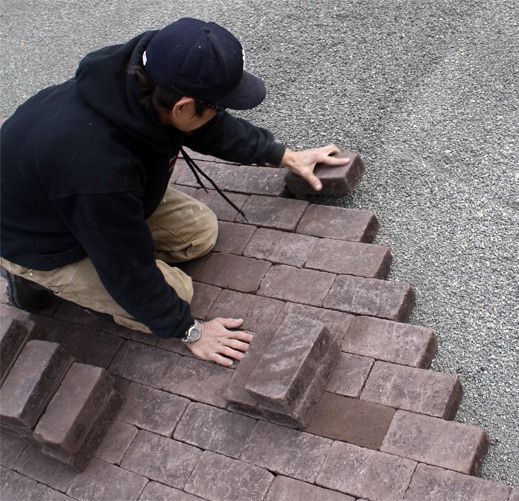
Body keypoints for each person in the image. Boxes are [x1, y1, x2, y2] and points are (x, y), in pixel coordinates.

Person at [0, 17, 349, 367]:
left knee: (201, 233)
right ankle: (27, 279)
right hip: (35, 239)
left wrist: (283, 156)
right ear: (182, 106)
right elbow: (125, 268)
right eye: (217, 106)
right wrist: (189, 330)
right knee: (176, 293)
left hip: (76, 199)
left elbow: (209, 128)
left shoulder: (145, 79)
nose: (219, 113)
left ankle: (109, 243)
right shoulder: (100, 172)